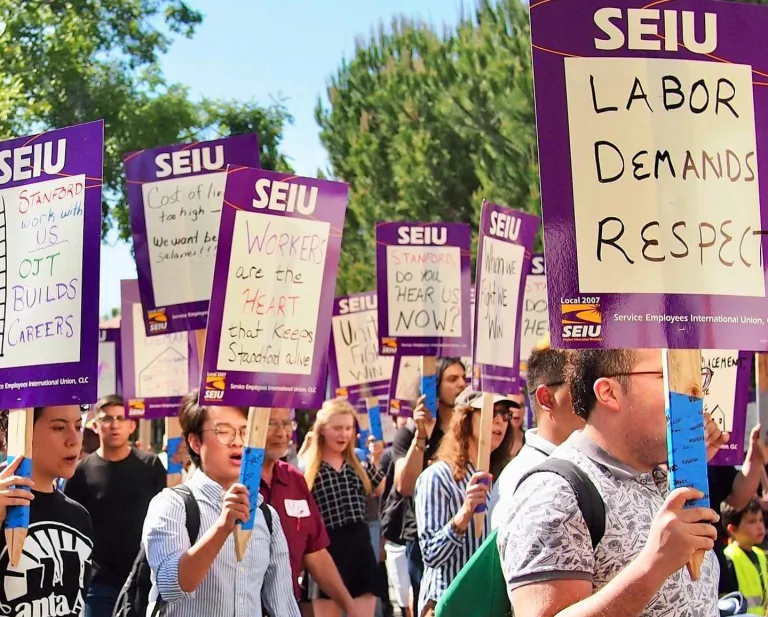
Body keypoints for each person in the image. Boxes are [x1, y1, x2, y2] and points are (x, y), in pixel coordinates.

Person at [500, 349, 728, 616]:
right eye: (666, 376)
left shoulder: (664, 476)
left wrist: (690, 458)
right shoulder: (554, 492)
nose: (690, 391)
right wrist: (652, 565)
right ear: (608, 392)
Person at [142, 391, 299, 617]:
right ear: (195, 442)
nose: (237, 441)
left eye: (245, 431)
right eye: (223, 432)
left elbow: (283, 604)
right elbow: (170, 585)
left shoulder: (266, 515)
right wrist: (223, 527)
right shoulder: (172, 504)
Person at [64, 394, 167, 617]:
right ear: (95, 425)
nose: (114, 425)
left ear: (132, 425)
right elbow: (70, 525)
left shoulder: (150, 465)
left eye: (121, 418)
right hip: (98, 581)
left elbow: (165, 518)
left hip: (143, 577)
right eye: (107, 418)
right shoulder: (80, 471)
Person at [415, 388, 513, 616]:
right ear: (466, 419)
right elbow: (431, 554)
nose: (500, 420)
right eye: (491, 412)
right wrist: (465, 513)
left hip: (487, 604)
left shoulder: (502, 477)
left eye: (505, 414)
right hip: (449, 603)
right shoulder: (437, 477)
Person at [259, 407, 359, 616]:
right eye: (271, 423)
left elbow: (315, 552)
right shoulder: (233, 481)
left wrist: (349, 606)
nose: (281, 432)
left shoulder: (294, 479)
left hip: (286, 607)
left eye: (286, 424)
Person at [0, 406, 93, 616]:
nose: (74, 439)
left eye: (78, 426)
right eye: (59, 427)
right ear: (21, 432)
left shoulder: (79, 517)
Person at [390, 358, 467, 607]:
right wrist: (422, 435)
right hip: (424, 539)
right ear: (433, 386)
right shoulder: (409, 434)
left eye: (463, 378)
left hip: (466, 534)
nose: (461, 384)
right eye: (452, 379)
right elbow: (405, 485)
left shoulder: (469, 432)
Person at [304, 398, 386, 617]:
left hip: (360, 550)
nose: (344, 434)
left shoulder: (358, 464)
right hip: (325, 551)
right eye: (337, 428)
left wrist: (377, 458)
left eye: (348, 428)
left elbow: (383, 489)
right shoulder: (309, 470)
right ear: (322, 430)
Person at [490, 341, 583, 528]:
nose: (594, 396)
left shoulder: (587, 463)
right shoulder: (522, 481)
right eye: (581, 386)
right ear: (546, 398)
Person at [720, 498, 767, 613]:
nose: (760, 526)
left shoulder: (760, 554)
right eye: (752, 521)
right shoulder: (729, 558)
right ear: (732, 529)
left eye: (761, 520)